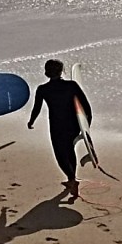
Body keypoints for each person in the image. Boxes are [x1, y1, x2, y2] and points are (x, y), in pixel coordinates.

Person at [27, 59, 92, 200]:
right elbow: (86, 106)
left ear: (46, 72)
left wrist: (31, 121)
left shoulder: (43, 89)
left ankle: (72, 179)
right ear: (62, 71)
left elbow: (36, 108)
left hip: (57, 125)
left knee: (60, 155)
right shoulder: (72, 85)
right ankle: (72, 178)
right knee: (70, 150)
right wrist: (86, 127)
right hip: (73, 125)